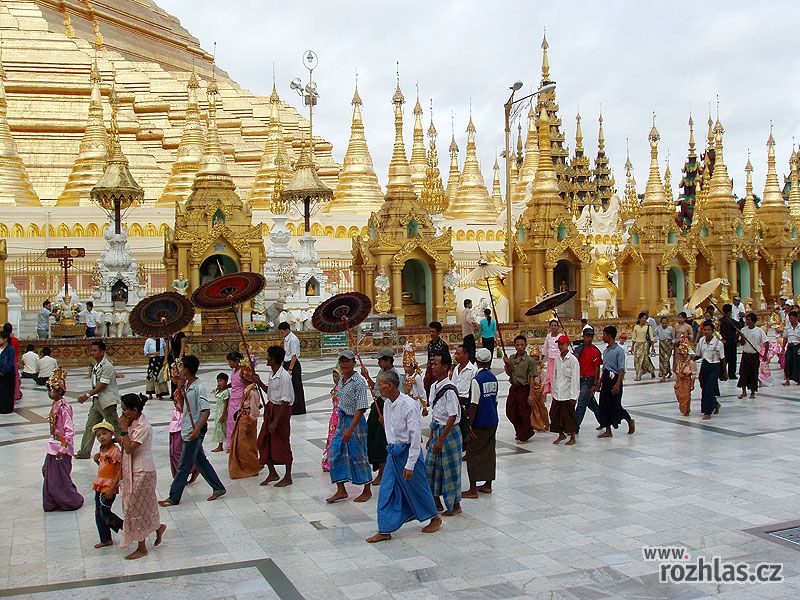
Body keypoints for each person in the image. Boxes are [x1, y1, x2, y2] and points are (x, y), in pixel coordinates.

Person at [365, 370, 442, 543]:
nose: (378, 388)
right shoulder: (386, 404)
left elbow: (415, 438)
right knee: (386, 490)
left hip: (409, 453)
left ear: (390, 385)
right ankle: (385, 529)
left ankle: (434, 517)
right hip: (394, 454)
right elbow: (390, 432)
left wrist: (410, 464)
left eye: (380, 385)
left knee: (419, 487)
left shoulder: (409, 405)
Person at [159, 355, 227, 506]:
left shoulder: (198, 387)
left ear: (187, 369)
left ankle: (173, 497)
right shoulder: (187, 386)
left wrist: (196, 430)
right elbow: (183, 408)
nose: (180, 369)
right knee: (200, 461)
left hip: (194, 431)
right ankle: (218, 487)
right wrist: (179, 390)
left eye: (182, 367)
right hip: (188, 428)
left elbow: (206, 411)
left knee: (183, 466)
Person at [117, 393, 166, 560]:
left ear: (135, 410)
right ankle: (157, 527)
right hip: (132, 470)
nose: (123, 414)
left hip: (142, 471)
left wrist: (123, 430)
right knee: (140, 505)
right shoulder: (132, 422)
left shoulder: (143, 426)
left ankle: (142, 546)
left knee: (134, 507)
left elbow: (130, 448)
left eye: (125, 410)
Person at [326, 350, 372, 504]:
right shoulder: (342, 380)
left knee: (359, 455)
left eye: (347, 361)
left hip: (356, 422)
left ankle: (367, 489)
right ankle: (341, 489)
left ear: (354, 362)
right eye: (342, 361)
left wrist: (350, 430)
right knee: (335, 451)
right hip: (342, 421)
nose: (344, 364)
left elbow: (361, 408)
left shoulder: (358, 382)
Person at [42, 368, 84, 511]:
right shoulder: (56, 405)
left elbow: (69, 430)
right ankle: (52, 501)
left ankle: (69, 500)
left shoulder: (64, 408)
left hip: (60, 447)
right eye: (49, 390)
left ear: (60, 391)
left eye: (52, 390)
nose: (49, 393)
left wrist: (63, 448)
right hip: (53, 445)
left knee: (59, 477)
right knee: (48, 472)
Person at [425, 353, 462, 516]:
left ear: (446, 367)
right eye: (432, 364)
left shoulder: (450, 390)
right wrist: (432, 436)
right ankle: (436, 501)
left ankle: (455, 504)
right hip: (438, 430)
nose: (432, 367)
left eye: (436, 364)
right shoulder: (434, 386)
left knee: (450, 469)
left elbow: (452, 416)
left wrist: (441, 439)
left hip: (449, 433)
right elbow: (435, 413)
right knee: (431, 468)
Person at [462, 348, 498, 499]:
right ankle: (488, 484)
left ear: (477, 362)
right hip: (492, 420)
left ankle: (472, 489)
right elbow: (494, 400)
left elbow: (474, 404)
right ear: (489, 362)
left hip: (480, 422)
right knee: (489, 452)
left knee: (473, 453)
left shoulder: (477, 380)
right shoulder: (493, 378)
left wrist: (470, 424)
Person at [257, 345, 295, 487]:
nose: (266, 359)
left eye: (268, 357)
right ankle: (272, 472)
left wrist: (276, 422)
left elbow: (285, 400)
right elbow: (271, 392)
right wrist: (259, 382)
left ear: (273, 359)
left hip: (281, 412)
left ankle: (288, 476)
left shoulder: (284, 376)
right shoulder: (272, 374)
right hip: (271, 409)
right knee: (263, 442)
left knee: (283, 443)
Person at [76, 340, 120, 459]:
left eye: (95, 350)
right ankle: (84, 451)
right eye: (91, 350)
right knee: (90, 426)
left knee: (115, 427)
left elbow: (103, 385)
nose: (92, 353)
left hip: (107, 401)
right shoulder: (96, 365)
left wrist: (87, 395)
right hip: (97, 401)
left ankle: (125, 448)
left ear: (102, 352)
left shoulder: (107, 366)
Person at [361, 347, 397, 486]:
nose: (379, 363)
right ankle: (378, 469)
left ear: (388, 360)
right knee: (372, 436)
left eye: (381, 360)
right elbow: (375, 389)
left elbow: (394, 398)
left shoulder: (394, 376)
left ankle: (383, 473)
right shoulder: (382, 372)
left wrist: (387, 416)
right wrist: (367, 376)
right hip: (377, 406)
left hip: (386, 407)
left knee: (382, 441)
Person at [597, 326, 636, 438]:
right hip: (606, 379)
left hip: (615, 379)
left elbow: (621, 369)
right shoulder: (606, 351)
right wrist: (600, 381)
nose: (603, 337)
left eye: (604, 334)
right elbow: (605, 368)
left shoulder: (619, 351)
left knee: (615, 405)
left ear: (609, 335)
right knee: (604, 405)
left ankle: (629, 420)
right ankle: (608, 430)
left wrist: (618, 383)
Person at [91, 421, 123, 548]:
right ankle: (105, 538)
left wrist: (112, 488)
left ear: (111, 434)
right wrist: (96, 460)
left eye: (105, 433)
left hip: (109, 486)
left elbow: (119, 471)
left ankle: (124, 526)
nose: (102, 437)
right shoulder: (102, 450)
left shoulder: (115, 452)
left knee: (104, 510)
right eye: (98, 435)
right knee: (98, 512)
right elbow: (105, 467)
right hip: (99, 484)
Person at [228, 360, 262, 480]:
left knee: (247, 446)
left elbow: (254, 411)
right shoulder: (247, 389)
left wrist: (249, 422)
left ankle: (251, 467)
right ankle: (242, 467)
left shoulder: (252, 392)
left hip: (247, 420)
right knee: (240, 445)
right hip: (242, 418)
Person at [503, 335, 538, 443]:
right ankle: (521, 431)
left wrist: (531, 394)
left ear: (526, 345)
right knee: (510, 411)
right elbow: (510, 373)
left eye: (522, 345)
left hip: (524, 388)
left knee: (524, 413)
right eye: (517, 345)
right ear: (514, 346)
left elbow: (532, 378)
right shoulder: (512, 358)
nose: (520, 347)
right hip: (514, 388)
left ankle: (524, 434)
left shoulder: (530, 361)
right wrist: (507, 364)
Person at [167, 366, 199, 482]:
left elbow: (181, 407)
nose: (172, 379)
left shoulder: (185, 390)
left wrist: (180, 389)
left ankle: (189, 470)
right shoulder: (179, 389)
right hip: (175, 421)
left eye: (174, 376)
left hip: (182, 421)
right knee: (174, 450)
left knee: (177, 451)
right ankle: (182, 473)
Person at [550, 335, 579, 446]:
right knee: (554, 414)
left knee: (569, 416)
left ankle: (572, 437)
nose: (560, 346)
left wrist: (574, 396)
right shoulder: (557, 359)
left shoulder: (573, 361)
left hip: (568, 393)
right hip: (558, 393)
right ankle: (560, 434)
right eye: (559, 344)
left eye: (562, 344)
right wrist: (554, 391)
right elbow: (555, 375)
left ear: (567, 345)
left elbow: (575, 379)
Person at [695, 321, 724, 420]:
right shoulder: (701, 341)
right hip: (705, 365)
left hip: (715, 366)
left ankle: (708, 411)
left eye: (708, 330)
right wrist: (688, 357)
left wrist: (724, 372)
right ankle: (715, 404)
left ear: (713, 331)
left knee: (709, 388)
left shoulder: (718, 343)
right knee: (704, 387)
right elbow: (698, 355)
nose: (706, 332)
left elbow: (722, 358)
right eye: (705, 330)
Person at [575, 327, 601, 432]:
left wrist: (595, 383)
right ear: (583, 337)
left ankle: (575, 426)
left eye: (591, 337)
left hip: (588, 380)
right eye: (587, 336)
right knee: (591, 403)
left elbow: (597, 368)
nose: (589, 339)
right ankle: (604, 421)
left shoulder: (595, 351)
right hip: (579, 379)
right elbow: (574, 361)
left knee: (581, 403)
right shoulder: (579, 349)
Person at [450, 344, 477, 446]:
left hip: (466, 400)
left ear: (466, 355)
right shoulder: (456, 369)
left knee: (467, 426)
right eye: (455, 353)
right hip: (456, 400)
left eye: (458, 353)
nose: (455, 356)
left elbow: (473, 388)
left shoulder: (473, 370)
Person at [279, 321, 306, 415]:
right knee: (289, 387)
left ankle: (299, 408)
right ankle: (292, 406)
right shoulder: (286, 339)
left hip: (293, 364)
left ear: (287, 330)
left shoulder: (293, 339)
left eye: (282, 332)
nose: (281, 334)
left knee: (296, 386)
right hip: (287, 363)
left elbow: (294, 355)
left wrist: (290, 369)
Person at [738, 312, 767, 399]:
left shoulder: (759, 331)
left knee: (753, 373)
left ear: (754, 321)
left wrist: (765, 354)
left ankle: (752, 392)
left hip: (754, 355)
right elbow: (742, 343)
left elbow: (766, 342)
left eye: (749, 320)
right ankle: (743, 392)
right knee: (743, 373)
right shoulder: (743, 330)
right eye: (746, 319)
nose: (747, 321)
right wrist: (742, 337)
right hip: (745, 354)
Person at [225, 351, 244, 452]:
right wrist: (225, 386)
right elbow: (233, 383)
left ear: (237, 361)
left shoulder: (243, 371)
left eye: (230, 361)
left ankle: (238, 443)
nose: (229, 364)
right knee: (230, 422)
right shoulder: (233, 371)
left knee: (238, 422)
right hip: (233, 400)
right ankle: (230, 444)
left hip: (240, 399)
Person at [423, 321, 450, 395]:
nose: (431, 333)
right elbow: (429, 359)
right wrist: (427, 372)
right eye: (430, 331)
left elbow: (447, 361)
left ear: (438, 332)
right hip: (431, 369)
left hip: (439, 369)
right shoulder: (430, 344)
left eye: (433, 332)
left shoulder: (443, 345)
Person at [322, 367, 341, 472]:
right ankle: (329, 461)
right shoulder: (337, 388)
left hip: (339, 416)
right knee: (332, 438)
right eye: (333, 376)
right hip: (334, 416)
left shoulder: (341, 389)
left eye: (336, 376)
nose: (334, 378)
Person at [674, 338, 696, 416]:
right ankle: (683, 408)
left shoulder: (690, 363)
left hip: (687, 380)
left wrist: (692, 384)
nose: (682, 356)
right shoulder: (679, 362)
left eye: (683, 355)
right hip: (680, 380)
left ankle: (686, 410)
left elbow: (693, 374)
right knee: (679, 394)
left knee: (686, 396)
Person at [631, 312, 655, 380]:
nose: (644, 320)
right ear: (639, 319)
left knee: (645, 359)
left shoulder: (648, 327)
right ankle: (638, 374)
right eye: (643, 318)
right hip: (638, 344)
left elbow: (651, 337)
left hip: (645, 344)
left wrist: (653, 347)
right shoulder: (636, 327)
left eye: (645, 318)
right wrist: (632, 346)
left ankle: (651, 370)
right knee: (637, 360)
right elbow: (634, 337)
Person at [719, 304, 739, 380]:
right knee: (732, 359)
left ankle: (722, 374)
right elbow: (739, 325)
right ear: (730, 312)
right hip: (730, 341)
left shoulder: (722, 321)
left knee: (725, 358)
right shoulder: (730, 321)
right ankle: (731, 374)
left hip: (726, 341)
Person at [541, 320, 560, 398]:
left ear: (558, 327)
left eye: (555, 325)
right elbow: (545, 347)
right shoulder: (548, 336)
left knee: (557, 376)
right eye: (552, 325)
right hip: (551, 359)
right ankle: (551, 392)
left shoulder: (560, 336)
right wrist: (541, 359)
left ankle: (557, 391)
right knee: (550, 376)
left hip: (559, 360)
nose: (553, 327)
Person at [3, 323, 21, 404]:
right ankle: (16, 395)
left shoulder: (3, 340)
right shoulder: (15, 340)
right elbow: (17, 352)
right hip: (14, 361)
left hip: (4, 362)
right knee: (15, 380)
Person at [211, 372, 229, 453]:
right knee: (219, 429)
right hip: (218, 412)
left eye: (221, 381)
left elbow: (225, 405)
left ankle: (222, 445)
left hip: (222, 412)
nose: (219, 383)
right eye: (218, 381)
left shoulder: (226, 392)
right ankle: (220, 445)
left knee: (222, 429)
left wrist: (223, 415)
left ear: (226, 381)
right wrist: (217, 389)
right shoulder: (220, 391)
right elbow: (214, 394)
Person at [654, 316, 675, 381]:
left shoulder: (671, 329)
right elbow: (654, 334)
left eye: (665, 323)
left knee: (666, 359)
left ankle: (664, 374)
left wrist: (672, 345)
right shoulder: (658, 328)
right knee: (662, 359)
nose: (664, 325)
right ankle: (667, 372)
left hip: (668, 344)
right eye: (662, 323)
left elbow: (673, 338)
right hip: (661, 344)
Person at [783, 310, 800, 386]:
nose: (791, 320)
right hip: (790, 346)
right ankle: (787, 379)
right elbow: (785, 338)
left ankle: (798, 379)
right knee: (787, 363)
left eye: (792, 318)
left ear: (797, 318)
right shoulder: (787, 328)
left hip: (798, 346)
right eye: (790, 318)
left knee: (797, 363)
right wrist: (783, 347)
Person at [461, 299, 478, 363]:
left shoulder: (463, 312)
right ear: (467, 304)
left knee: (466, 349)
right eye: (471, 303)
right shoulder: (469, 311)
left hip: (465, 334)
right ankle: (471, 362)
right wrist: (474, 323)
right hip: (469, 333)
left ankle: (466, 361)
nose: (472, 305)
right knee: (471, 350)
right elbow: (468, 319)